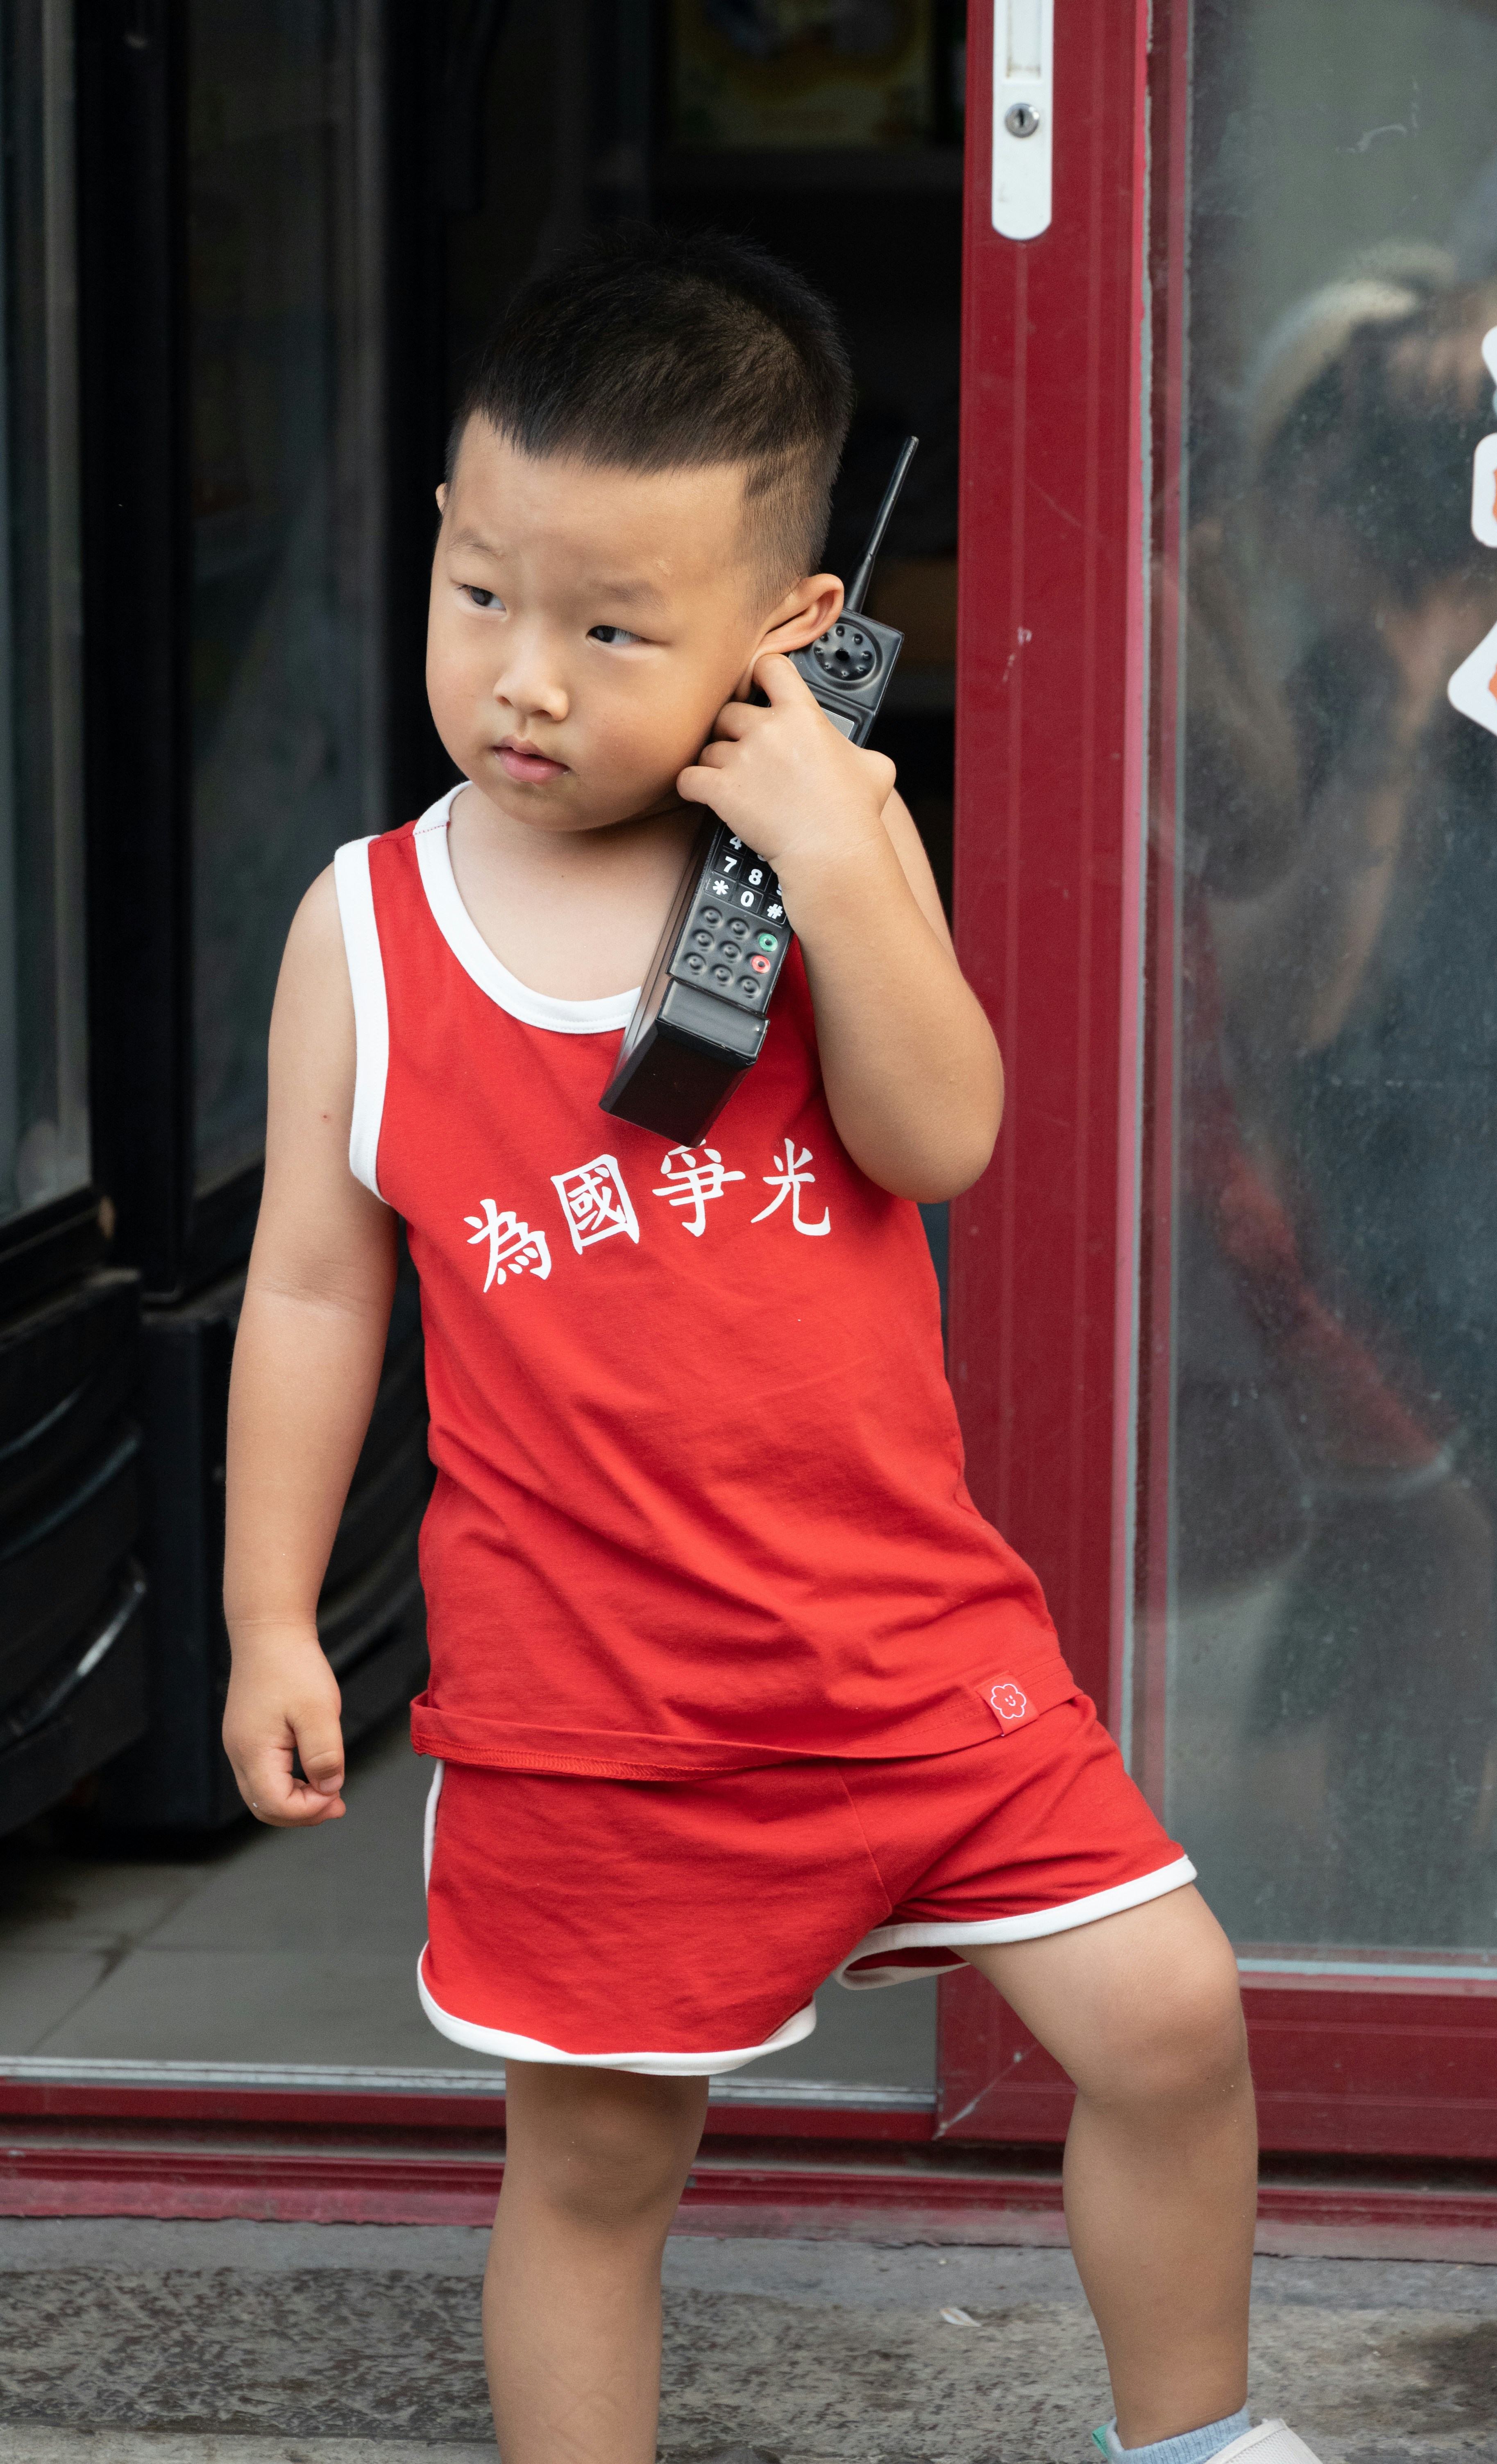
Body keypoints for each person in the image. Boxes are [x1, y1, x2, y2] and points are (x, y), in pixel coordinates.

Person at [220, 224, 1320, 2464]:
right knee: (601, 2170)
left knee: (1169, 2018)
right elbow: (318, 1285)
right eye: (484, 596)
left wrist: (843, 849)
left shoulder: (811, 867)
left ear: (790, 637)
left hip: (900, 1648)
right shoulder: (369, 928)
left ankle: (1200, 2442)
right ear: (435, 533)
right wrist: (263, 1615)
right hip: (591, 1707)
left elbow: (948, 1134)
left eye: (613, 630)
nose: (527, 678)